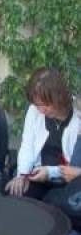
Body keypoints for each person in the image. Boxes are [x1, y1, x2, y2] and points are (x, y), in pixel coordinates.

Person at [5, 68, 79, 199]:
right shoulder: (35, 111)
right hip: (38, 174)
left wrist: (50, 172)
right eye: (37, 104)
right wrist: (22, 175)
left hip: (67, 180)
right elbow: (27, 145)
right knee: (16, 194)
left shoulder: (77, 117)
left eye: (45, 104)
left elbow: (74, 168)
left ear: (59, 97)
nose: (41, 110)